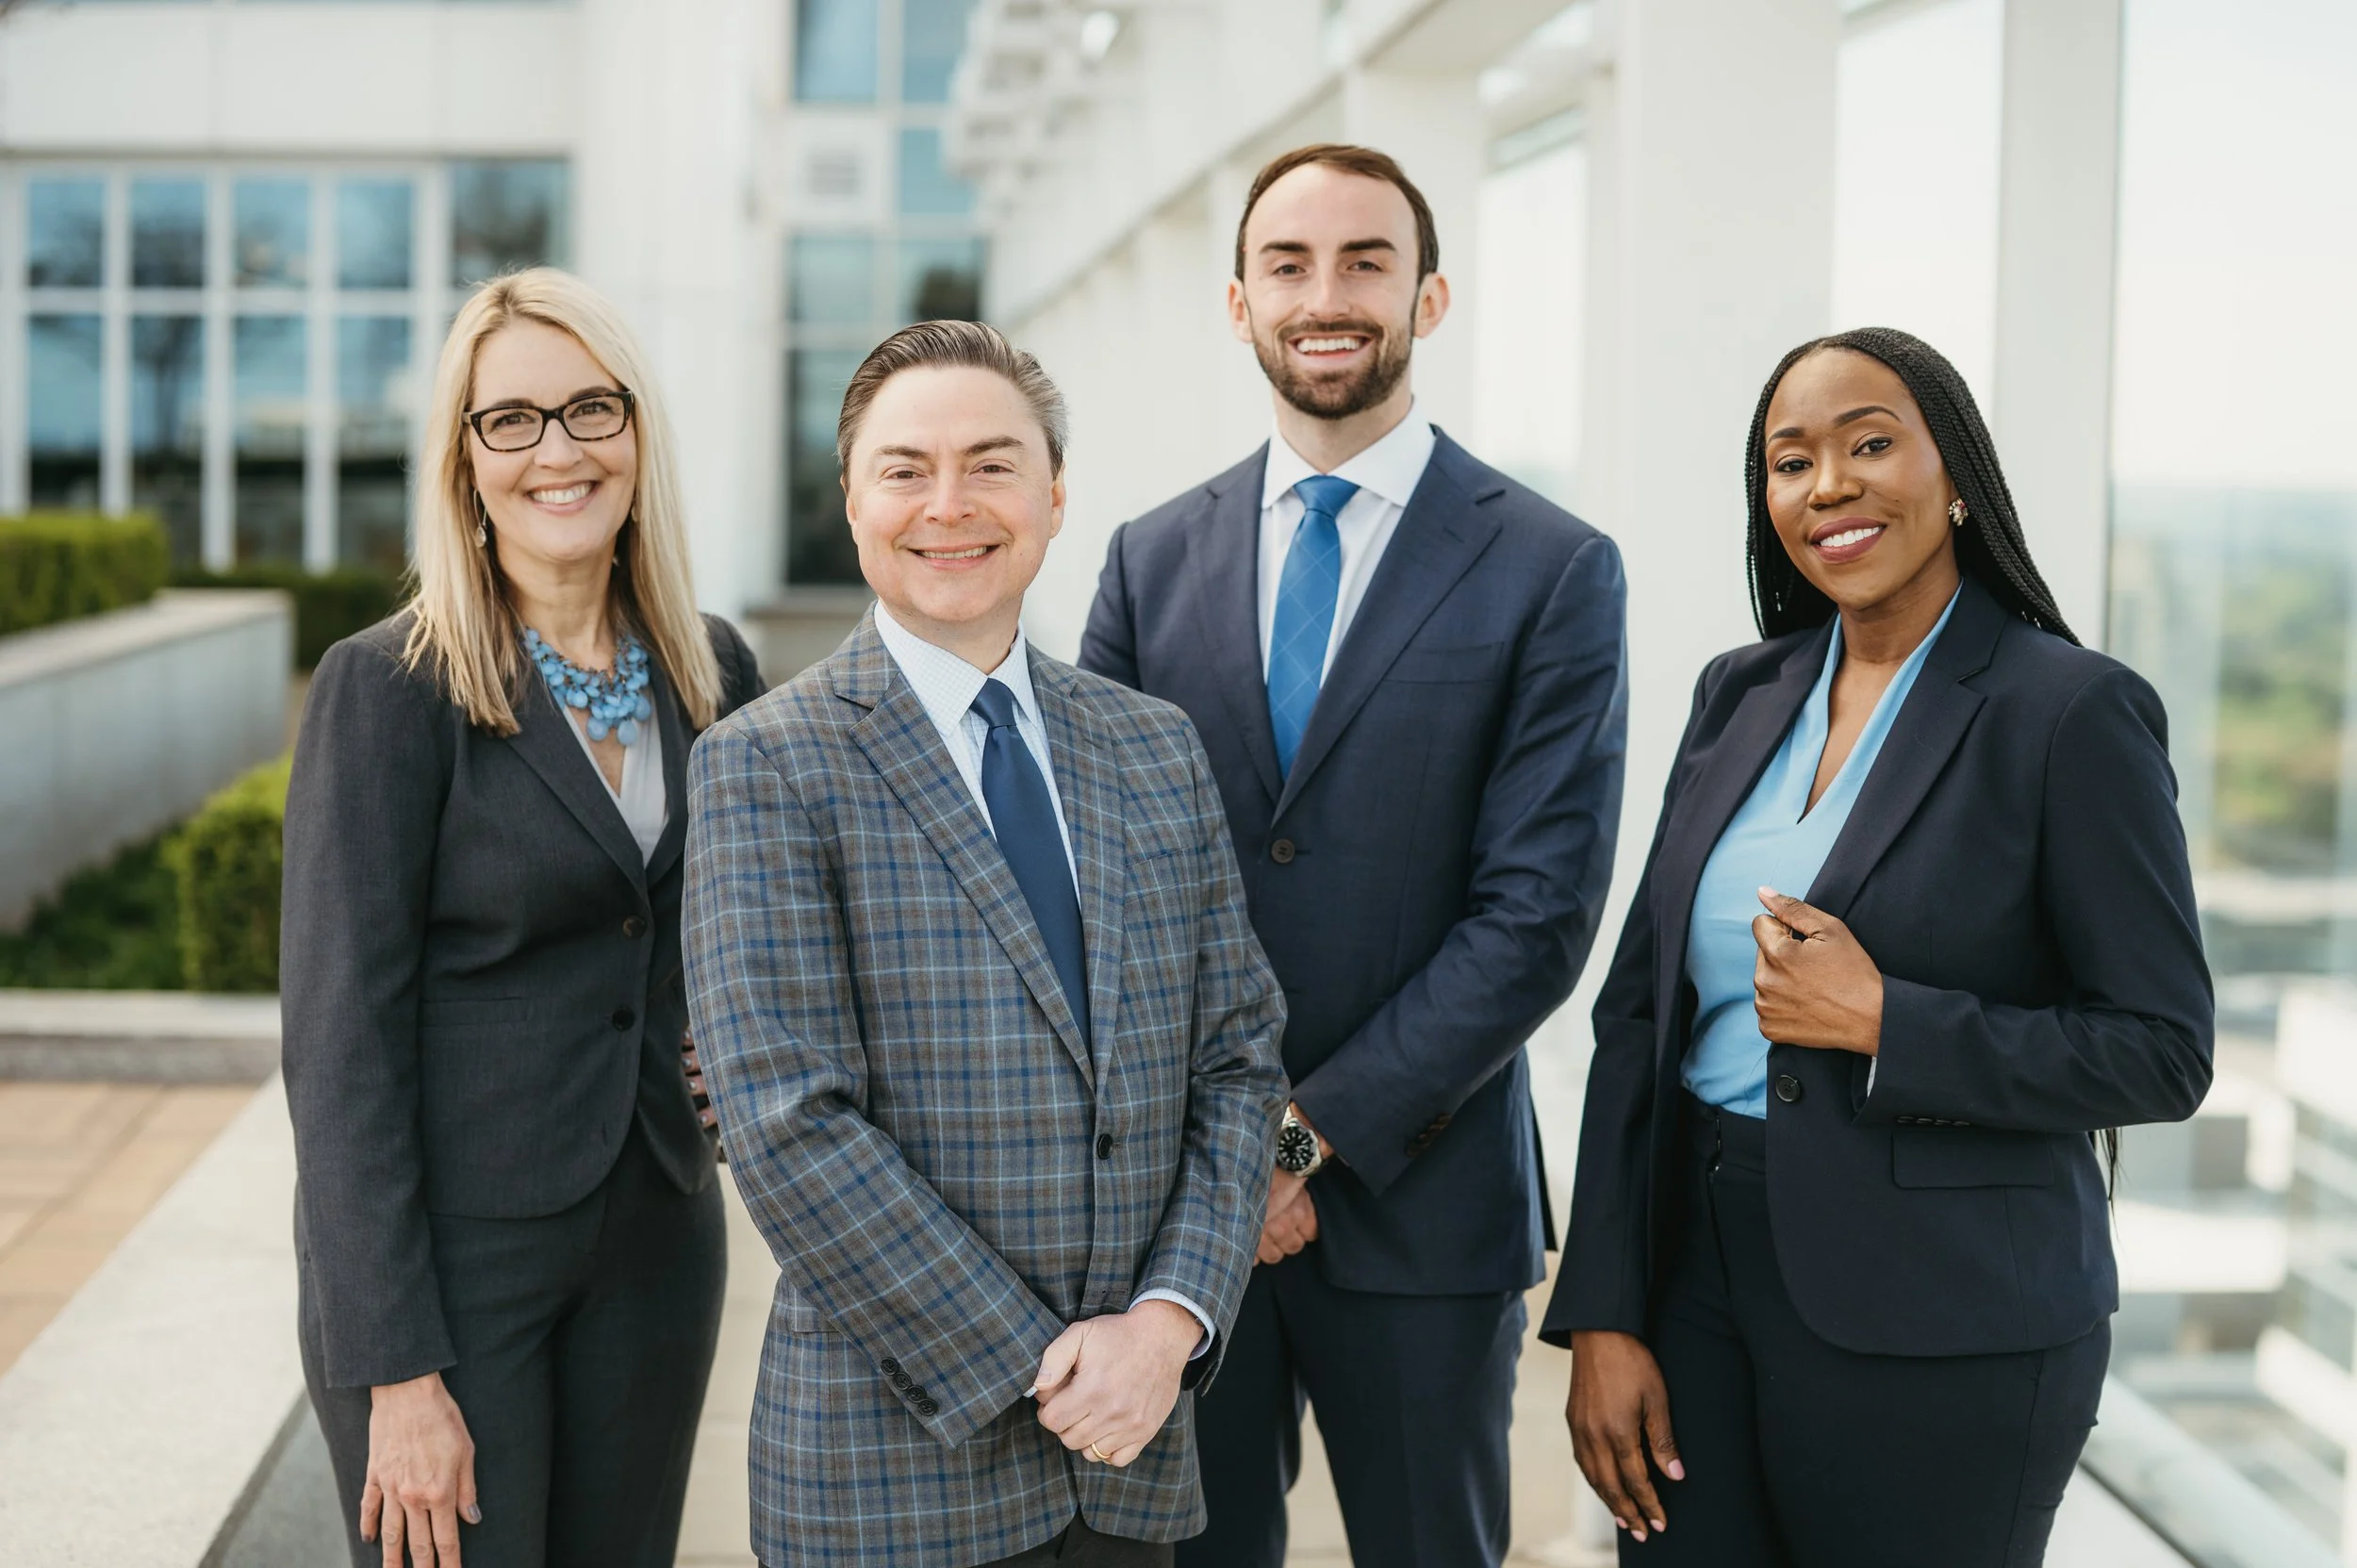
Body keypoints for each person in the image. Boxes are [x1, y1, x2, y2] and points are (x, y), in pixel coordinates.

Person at [1550, 327, 2214, 1566]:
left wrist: (1885, 1023)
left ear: (1955, 473)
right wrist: (1604, 1309)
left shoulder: (2070, 712)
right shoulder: (1738, 693)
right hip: (1697, 1281)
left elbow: (2162, 1050)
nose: (1830, 485)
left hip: (1947, 1318)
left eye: (1870, 444)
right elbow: (1636, 1016)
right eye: (1791, 461)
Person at [1079, 143, 1629, 1568]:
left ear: (1429, 298)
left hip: (1426, 1216)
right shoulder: (1148, 559)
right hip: (1174, 1235)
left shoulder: (1553, 567)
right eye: (1289, 264)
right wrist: (1221, 1165)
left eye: (1366, 262)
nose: (1325, 296)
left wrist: (1291, 1142)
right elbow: (1100, 891)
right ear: (1239, 302)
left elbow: (1536, 921)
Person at [683, 319, 1289, 1568]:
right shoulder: (764, 764)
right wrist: (1051, 1366)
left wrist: (1167, 1326)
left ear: (1055, 496)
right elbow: (788, 1124)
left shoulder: (1155, 747)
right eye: (905, 469)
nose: (948, 504)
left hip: (1129, 1460)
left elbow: (1237, 1061)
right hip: (891, 1479)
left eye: (993, 465)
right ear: (852, 504)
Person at [282, 267, 767, 1568]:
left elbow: (741, 933)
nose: (558, 450)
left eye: (591, 409)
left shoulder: (712, 666)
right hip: (455, 1266)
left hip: (659, 1236)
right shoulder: (388, 689)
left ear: (637, 432)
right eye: (512, 419)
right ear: (464, 460)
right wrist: (394, 1369)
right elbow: (339, 1047)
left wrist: (736, 1062)